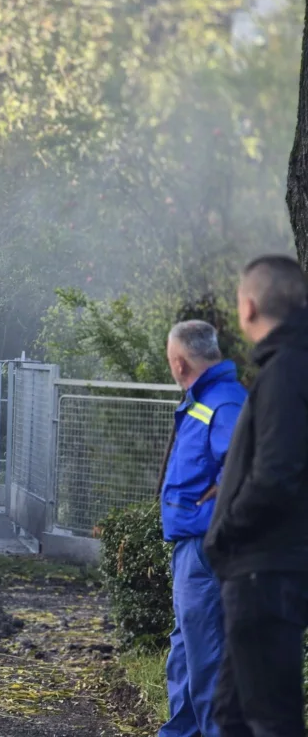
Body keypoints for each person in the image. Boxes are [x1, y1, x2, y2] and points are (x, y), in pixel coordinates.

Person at [205, 254, 308, 737]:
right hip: (260, 571)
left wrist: (223, 533)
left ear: (248, 308)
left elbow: (276, 476)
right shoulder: (286, 367)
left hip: (263, 573)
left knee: (270, 721)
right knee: (233, 717)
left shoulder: (286, 372)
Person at [159, 320, 246, 737]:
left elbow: (243, 472)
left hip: (205, 549)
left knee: (207, 657)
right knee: (186, 652)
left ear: (179, 361)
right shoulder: (205, 399)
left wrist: (214, 530)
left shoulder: (223, 402)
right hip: (190, 548)